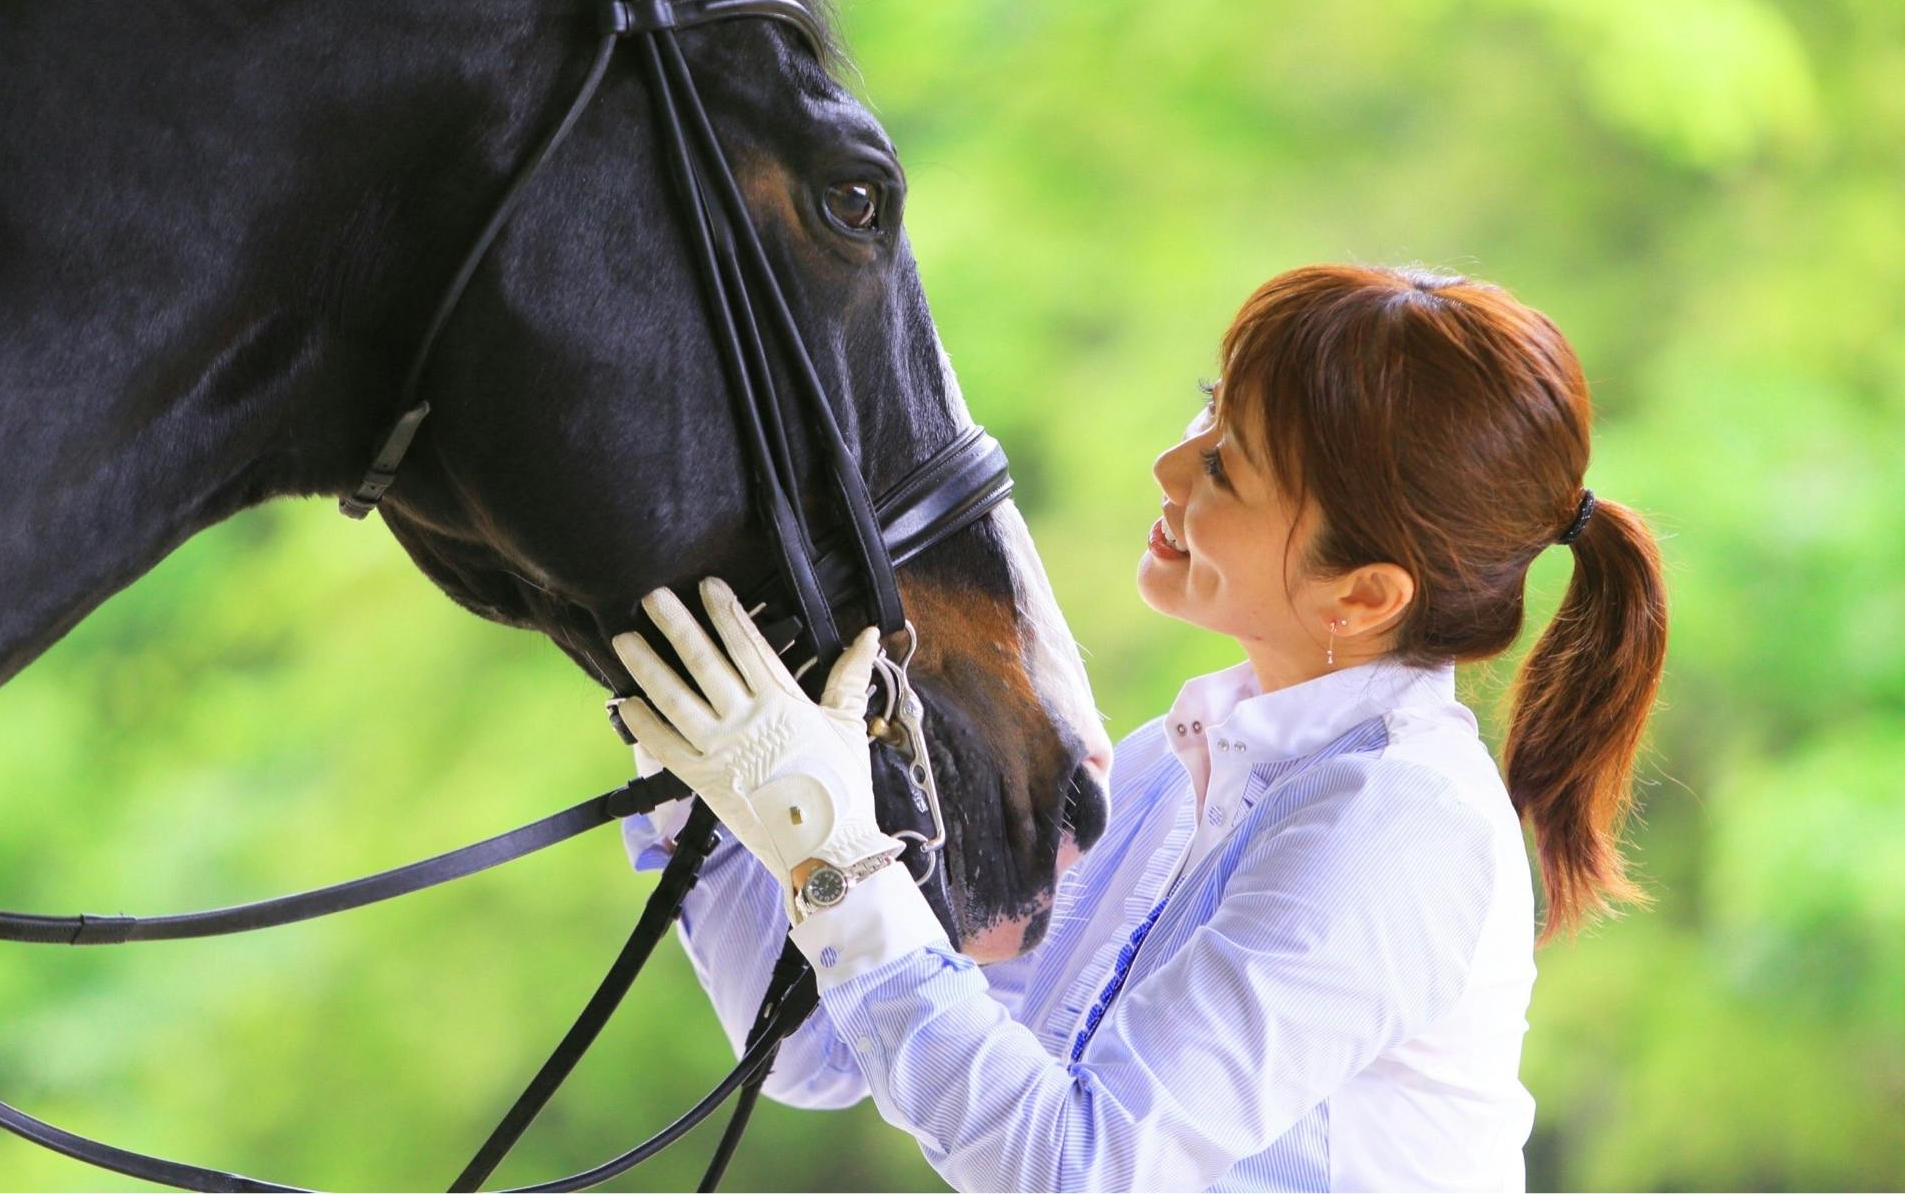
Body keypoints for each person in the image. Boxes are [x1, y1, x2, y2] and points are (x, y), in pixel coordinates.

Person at [610, 263, 1670, 1192]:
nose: (1173, 465)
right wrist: (701, 775)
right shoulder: (1187, 765)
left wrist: (834, 849)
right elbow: (820, 1048)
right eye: (1207, 410)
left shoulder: (1392, 834)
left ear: (1361, 596)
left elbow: (1075, 1169)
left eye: (1228, 466)